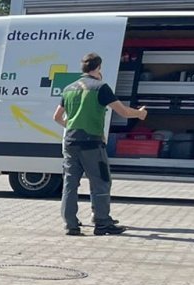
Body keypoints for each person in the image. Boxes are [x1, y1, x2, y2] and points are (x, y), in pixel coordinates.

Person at [53, 52, 148, 236]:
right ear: (98, 68)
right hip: (91, 143)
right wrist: (140, 114)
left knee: (70, 184)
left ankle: (70, 224)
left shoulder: (68, 88)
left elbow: (57, 117)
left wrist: (74, 126)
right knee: (101, 182)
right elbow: (124, 112)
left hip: (70, 142)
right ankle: (102, 223)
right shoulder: (100, 87)